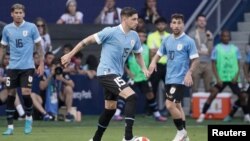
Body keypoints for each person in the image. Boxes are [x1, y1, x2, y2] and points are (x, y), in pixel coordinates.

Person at [61, 7, 149, 141]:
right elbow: (86, 41)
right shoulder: (110, 32)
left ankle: (95, 139)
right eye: (134, 19)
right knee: (131, 97)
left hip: (116, 75)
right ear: (124, 19)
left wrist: (144, 68)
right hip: (106, 73)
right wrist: (70, 54)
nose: (137, 22)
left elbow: (138, 54)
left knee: (110, 109)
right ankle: (128, 137)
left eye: (137, 19)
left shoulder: (134, 36)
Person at [149, 13, 199, 141]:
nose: (176, 25)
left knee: (169, 105)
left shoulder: (188, 41)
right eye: (174, 23)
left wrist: (189, 73)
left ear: (183, 25)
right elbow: (159, 54)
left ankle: (181, 132)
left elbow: (195, 60)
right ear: (171, 25)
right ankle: (185, 137)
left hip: (180, 79)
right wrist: (153, 62)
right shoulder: (167, 40)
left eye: (179, 23)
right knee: (178, 106)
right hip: (169, 78)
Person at [0, 3, 44, 135]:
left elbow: (39, 46)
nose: (18, 15)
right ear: (11, 14)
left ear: (23, 14)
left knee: (26, 92)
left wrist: (41, 63)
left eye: (20, 13)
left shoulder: (31, 27)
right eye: (16, 12)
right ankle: (10, 128)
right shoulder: (7, 29)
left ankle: (28, 119)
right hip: (12, 67)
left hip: (27, 67)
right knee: (11, 95)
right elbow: (2, 47)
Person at [113, 29, 167, 122]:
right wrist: (128, 71)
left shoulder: (147, 48)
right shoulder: (129, 47)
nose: (141, 38)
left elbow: (151, 61)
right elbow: (122, 61)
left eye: (143, 36)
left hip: (143, 77)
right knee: (125, 93)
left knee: (150, 94)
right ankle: (116, 114)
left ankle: (157, 115)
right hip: (133, 77)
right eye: (140, 35)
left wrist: (149, 72)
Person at [196, 30, 249, 123]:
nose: (226, 38)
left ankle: (247, 115)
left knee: (242, 95)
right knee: (213, 94)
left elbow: (239, 63)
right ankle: (202, 115)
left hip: (233, 78)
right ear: (221, 37)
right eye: (224, 36)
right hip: (221, 78)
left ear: (230, 37)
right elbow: (213, 64)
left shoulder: (235, 49)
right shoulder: (217, 48)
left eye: (227, 36)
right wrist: (217, 78)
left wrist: (236, 76)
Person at [188, 14, 213, 93]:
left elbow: (210, 51)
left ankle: (207, 105)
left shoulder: (209, 34)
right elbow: (189, 49)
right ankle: (193, 105)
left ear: (206, 22)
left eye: (204, 21)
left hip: (207, 63)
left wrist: (210, 39)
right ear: (196, 22)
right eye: (200, 20)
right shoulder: (192, 34)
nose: (202, 22)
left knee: (209, 89)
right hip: (196, 63)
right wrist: (200, 52)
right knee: (194, 89)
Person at [147, 17, 169, 97]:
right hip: (156, 66)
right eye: (159, 24)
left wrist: (158, 49)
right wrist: (165, 50)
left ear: (166, 25)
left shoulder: (170, 36)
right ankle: (152, 109)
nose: (161, 26)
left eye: (162, 24)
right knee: (153, 89)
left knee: (170, 90)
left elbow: (171, 51)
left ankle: (170, 109)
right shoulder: (151, 36)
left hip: (168, 66)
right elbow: (151, 51)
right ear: (156, 25)